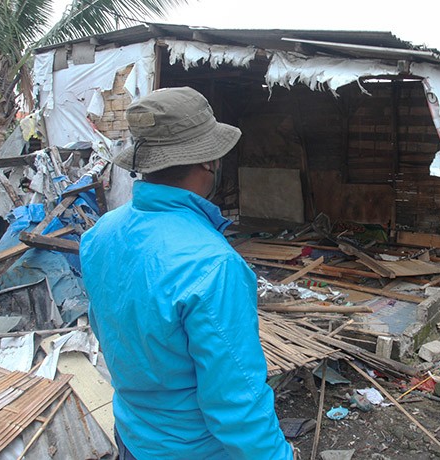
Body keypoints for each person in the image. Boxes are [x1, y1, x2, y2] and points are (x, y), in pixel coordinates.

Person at [80, 87, 294, 459]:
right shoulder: (213, 265)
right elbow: (237, 403)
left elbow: (105, 332)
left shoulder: (100, 233)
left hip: (132, 434)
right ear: (209, 162)